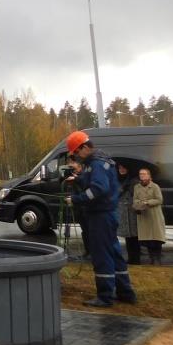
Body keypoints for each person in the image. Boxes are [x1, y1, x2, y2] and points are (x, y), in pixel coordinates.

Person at [63, 130, 137, 307]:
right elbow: (93, 182)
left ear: (84, 147)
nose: (76, 157)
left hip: (101, 215)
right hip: (105, 214)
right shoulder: (96, 162)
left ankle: (105, 296)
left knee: (101, 255)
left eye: (76, 152)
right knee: (114, 253)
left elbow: (98, 189)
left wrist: (76, 199)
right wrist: (78, 180)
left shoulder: (96, 163)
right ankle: (125, 292)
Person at [131, 167, 166, 265]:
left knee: (156, 238)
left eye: (144, 173)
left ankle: (157, 258)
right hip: (143, 215)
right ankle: (151, 258)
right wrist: (139, 204)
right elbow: (135, 200)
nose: (142, 175)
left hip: (154, 215)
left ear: (149, 175)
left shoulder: (155, 186)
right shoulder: (136, 187)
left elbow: (159, 200)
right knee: (147, 239)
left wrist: (148, 202)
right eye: (140, 174)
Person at [116, 163, 142, 264]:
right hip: (123, 212)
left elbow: (137, 195)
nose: (121, 170)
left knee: (134, 237)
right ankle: (131, 258)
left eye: (123, 168)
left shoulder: (134, 181)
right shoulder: (118, 180)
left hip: (132, 211)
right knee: (128, 237)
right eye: (120, 168)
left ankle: (136, 259)